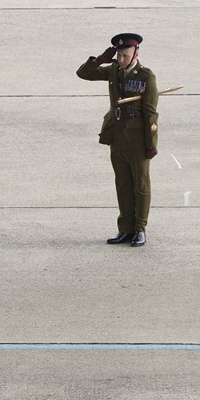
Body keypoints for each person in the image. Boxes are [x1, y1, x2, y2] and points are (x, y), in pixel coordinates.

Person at [77, 33, 158, 247]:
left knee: (140, 184)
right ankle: (125, 229)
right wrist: (100, 60)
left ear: (136, 54)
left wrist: (151, 144)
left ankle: (140, 228)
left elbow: (151, 114)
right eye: (119, 55)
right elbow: (83, 74)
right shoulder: (114, 70)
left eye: (126, 55)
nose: (121, 60)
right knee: (122, 183)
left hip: (138, 139)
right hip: (117, 135)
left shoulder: (146, 76)